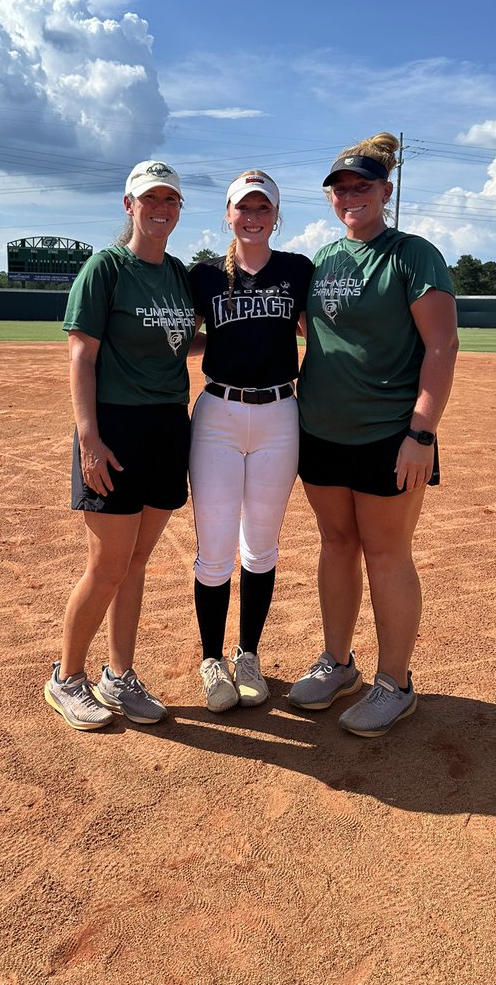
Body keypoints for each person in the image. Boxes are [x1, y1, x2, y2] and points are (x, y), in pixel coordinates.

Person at [289, 133, 458, 738]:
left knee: (387, 554)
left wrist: (422, 433)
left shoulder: (413, 255)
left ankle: (395, 683)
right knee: (336, 544)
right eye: (340, 189)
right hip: (320, 430)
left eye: (362, 186)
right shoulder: (324, 260)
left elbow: (442, 345)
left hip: (390, 435)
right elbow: (315, 331)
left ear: (386, 191)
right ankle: (338, 663)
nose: (349, 196)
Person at [44, 160, 196, 731]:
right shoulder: (105, 268)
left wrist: (251, 337)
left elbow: (182, 338)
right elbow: (81, 354)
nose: (161, 207)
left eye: (170, 199)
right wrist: (89, 437)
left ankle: (120, 675)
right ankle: (67, 678)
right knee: (107, 565)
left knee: (136, 562)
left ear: (179, 209)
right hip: (115, 428)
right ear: (129, 205)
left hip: (167, 425)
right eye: (149, 198)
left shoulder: (178, 273)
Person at [188, 170, 312, 712]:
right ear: (228, 214)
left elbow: (320, 330)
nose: (253, 217)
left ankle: (248, 656)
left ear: (276, 216)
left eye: (263, 208)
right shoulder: (204, 275)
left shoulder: (297, 270)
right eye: (244, 207)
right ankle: (211, 659)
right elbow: (180, 333)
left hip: (279, 414)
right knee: (215, 551)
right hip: (217, 413)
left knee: (260, 547)